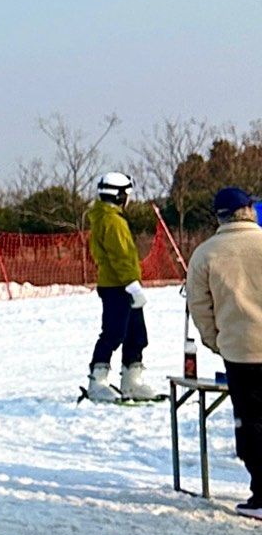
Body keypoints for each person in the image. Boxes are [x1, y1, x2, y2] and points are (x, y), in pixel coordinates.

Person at [185, 187, 262, 511]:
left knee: (252, 424)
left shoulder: (206, 254)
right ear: (249, 210)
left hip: (240, 352)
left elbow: (199, 307)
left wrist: (216, 341)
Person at [85, 168, 154, 402]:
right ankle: (98, 381)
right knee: (114, 332)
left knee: (136, 334)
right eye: (126, 194)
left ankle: (132, 380)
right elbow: (121, 256)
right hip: (119, 286)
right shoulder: (112, 221)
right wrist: (132, 285)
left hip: (123, 283)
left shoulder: (109, 218)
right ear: (118, 195)